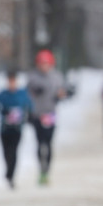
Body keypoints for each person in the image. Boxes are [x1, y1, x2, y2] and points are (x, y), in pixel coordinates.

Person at [26, 49, 66, 185]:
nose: (44, 66)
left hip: (50, 114)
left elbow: (61, 93)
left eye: (46, 63)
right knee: (39, 143)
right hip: (37, 114)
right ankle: (40, 168)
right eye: (41, 63)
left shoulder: (57, 77)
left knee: (48, 144)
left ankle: (47, 170)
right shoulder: (32, 77)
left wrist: (60, 95)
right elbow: (29, 93)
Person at [0, 70, 32, 188]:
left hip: (17, 128)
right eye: (10, 81)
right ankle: (9, 170)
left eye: (13, 81)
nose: (11, 83)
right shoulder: (2, 94)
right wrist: (3, 110)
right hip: (4, 128)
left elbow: (29, 106)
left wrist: (25, 115)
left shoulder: (22, 94)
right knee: (5, 152)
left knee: (14, 151)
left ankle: (10, 175)